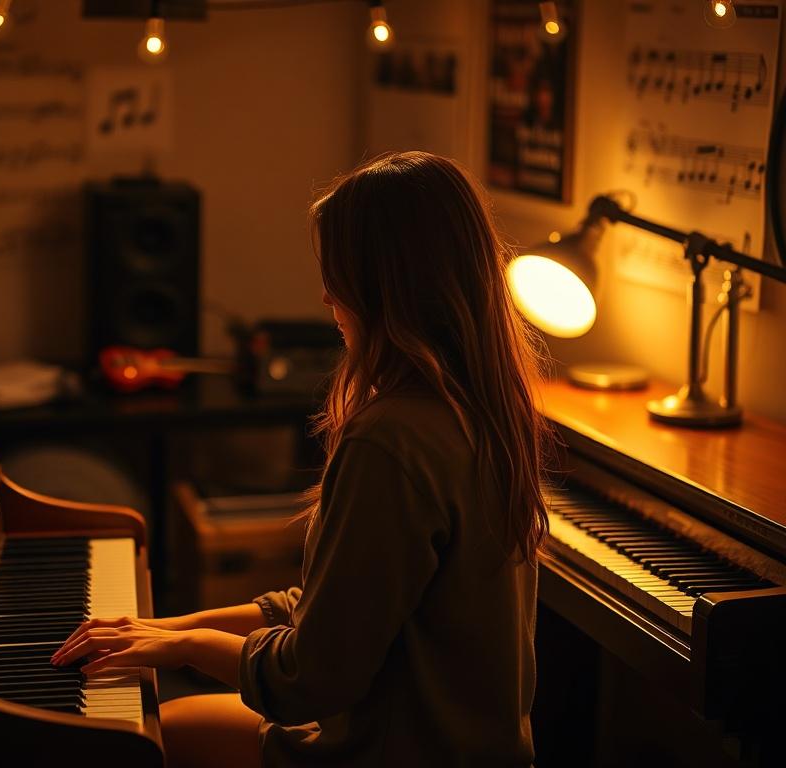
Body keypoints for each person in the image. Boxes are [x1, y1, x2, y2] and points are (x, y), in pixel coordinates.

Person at [52, 151, 550, 767]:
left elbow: (310, 680)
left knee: (147, 740)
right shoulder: (485, 408)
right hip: (465, 746)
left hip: (392, 751)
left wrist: (185, 649)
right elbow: (333, 605)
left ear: (382, 285)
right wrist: (172, 628)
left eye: (338, 273)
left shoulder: (391, 439)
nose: (324, 296)